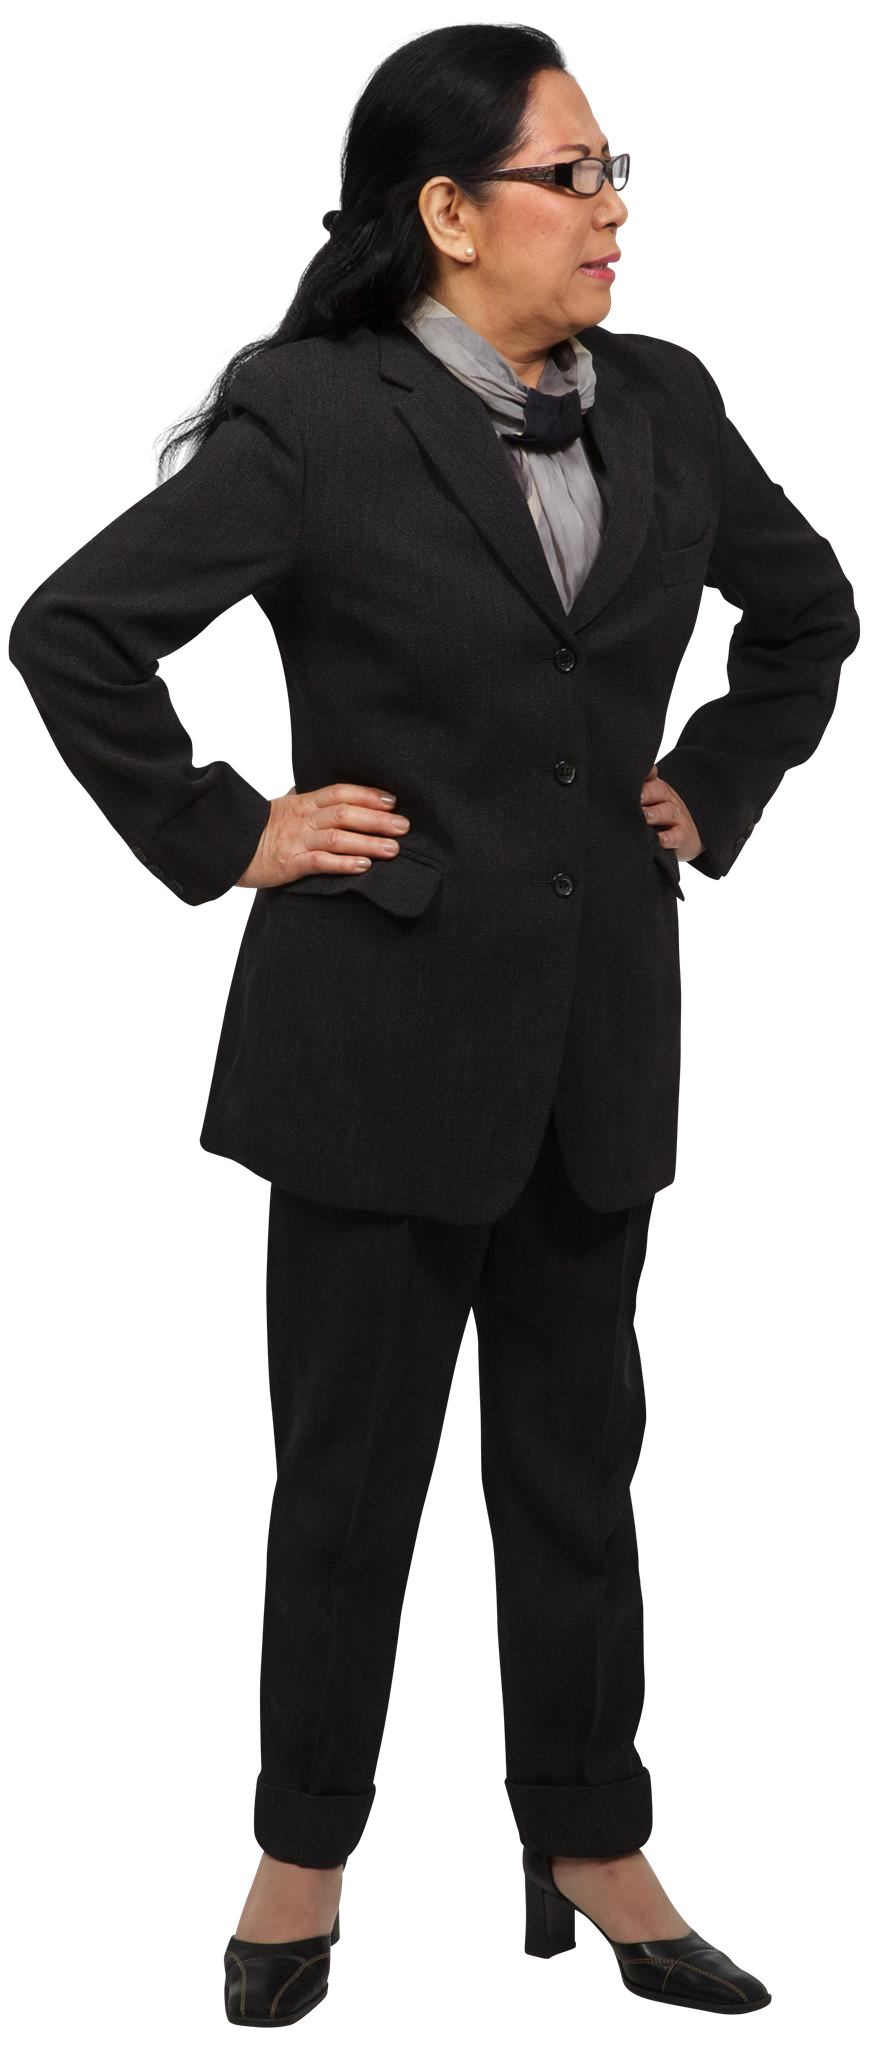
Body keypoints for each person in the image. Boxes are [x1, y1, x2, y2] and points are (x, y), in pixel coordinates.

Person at [9, 26, 858, 2025]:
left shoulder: (666, 397)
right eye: (570, 175)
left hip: (598, 1045)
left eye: (613, 168)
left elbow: (806, 615)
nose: (610, 207)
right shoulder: (312, 416)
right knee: (346, 1490)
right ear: (449, 211)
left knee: (580, 1485)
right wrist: (229, 832)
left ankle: (592, 1839)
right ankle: (300, 1858)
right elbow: (75, 632)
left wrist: (711, 785)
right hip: (373, 1042)